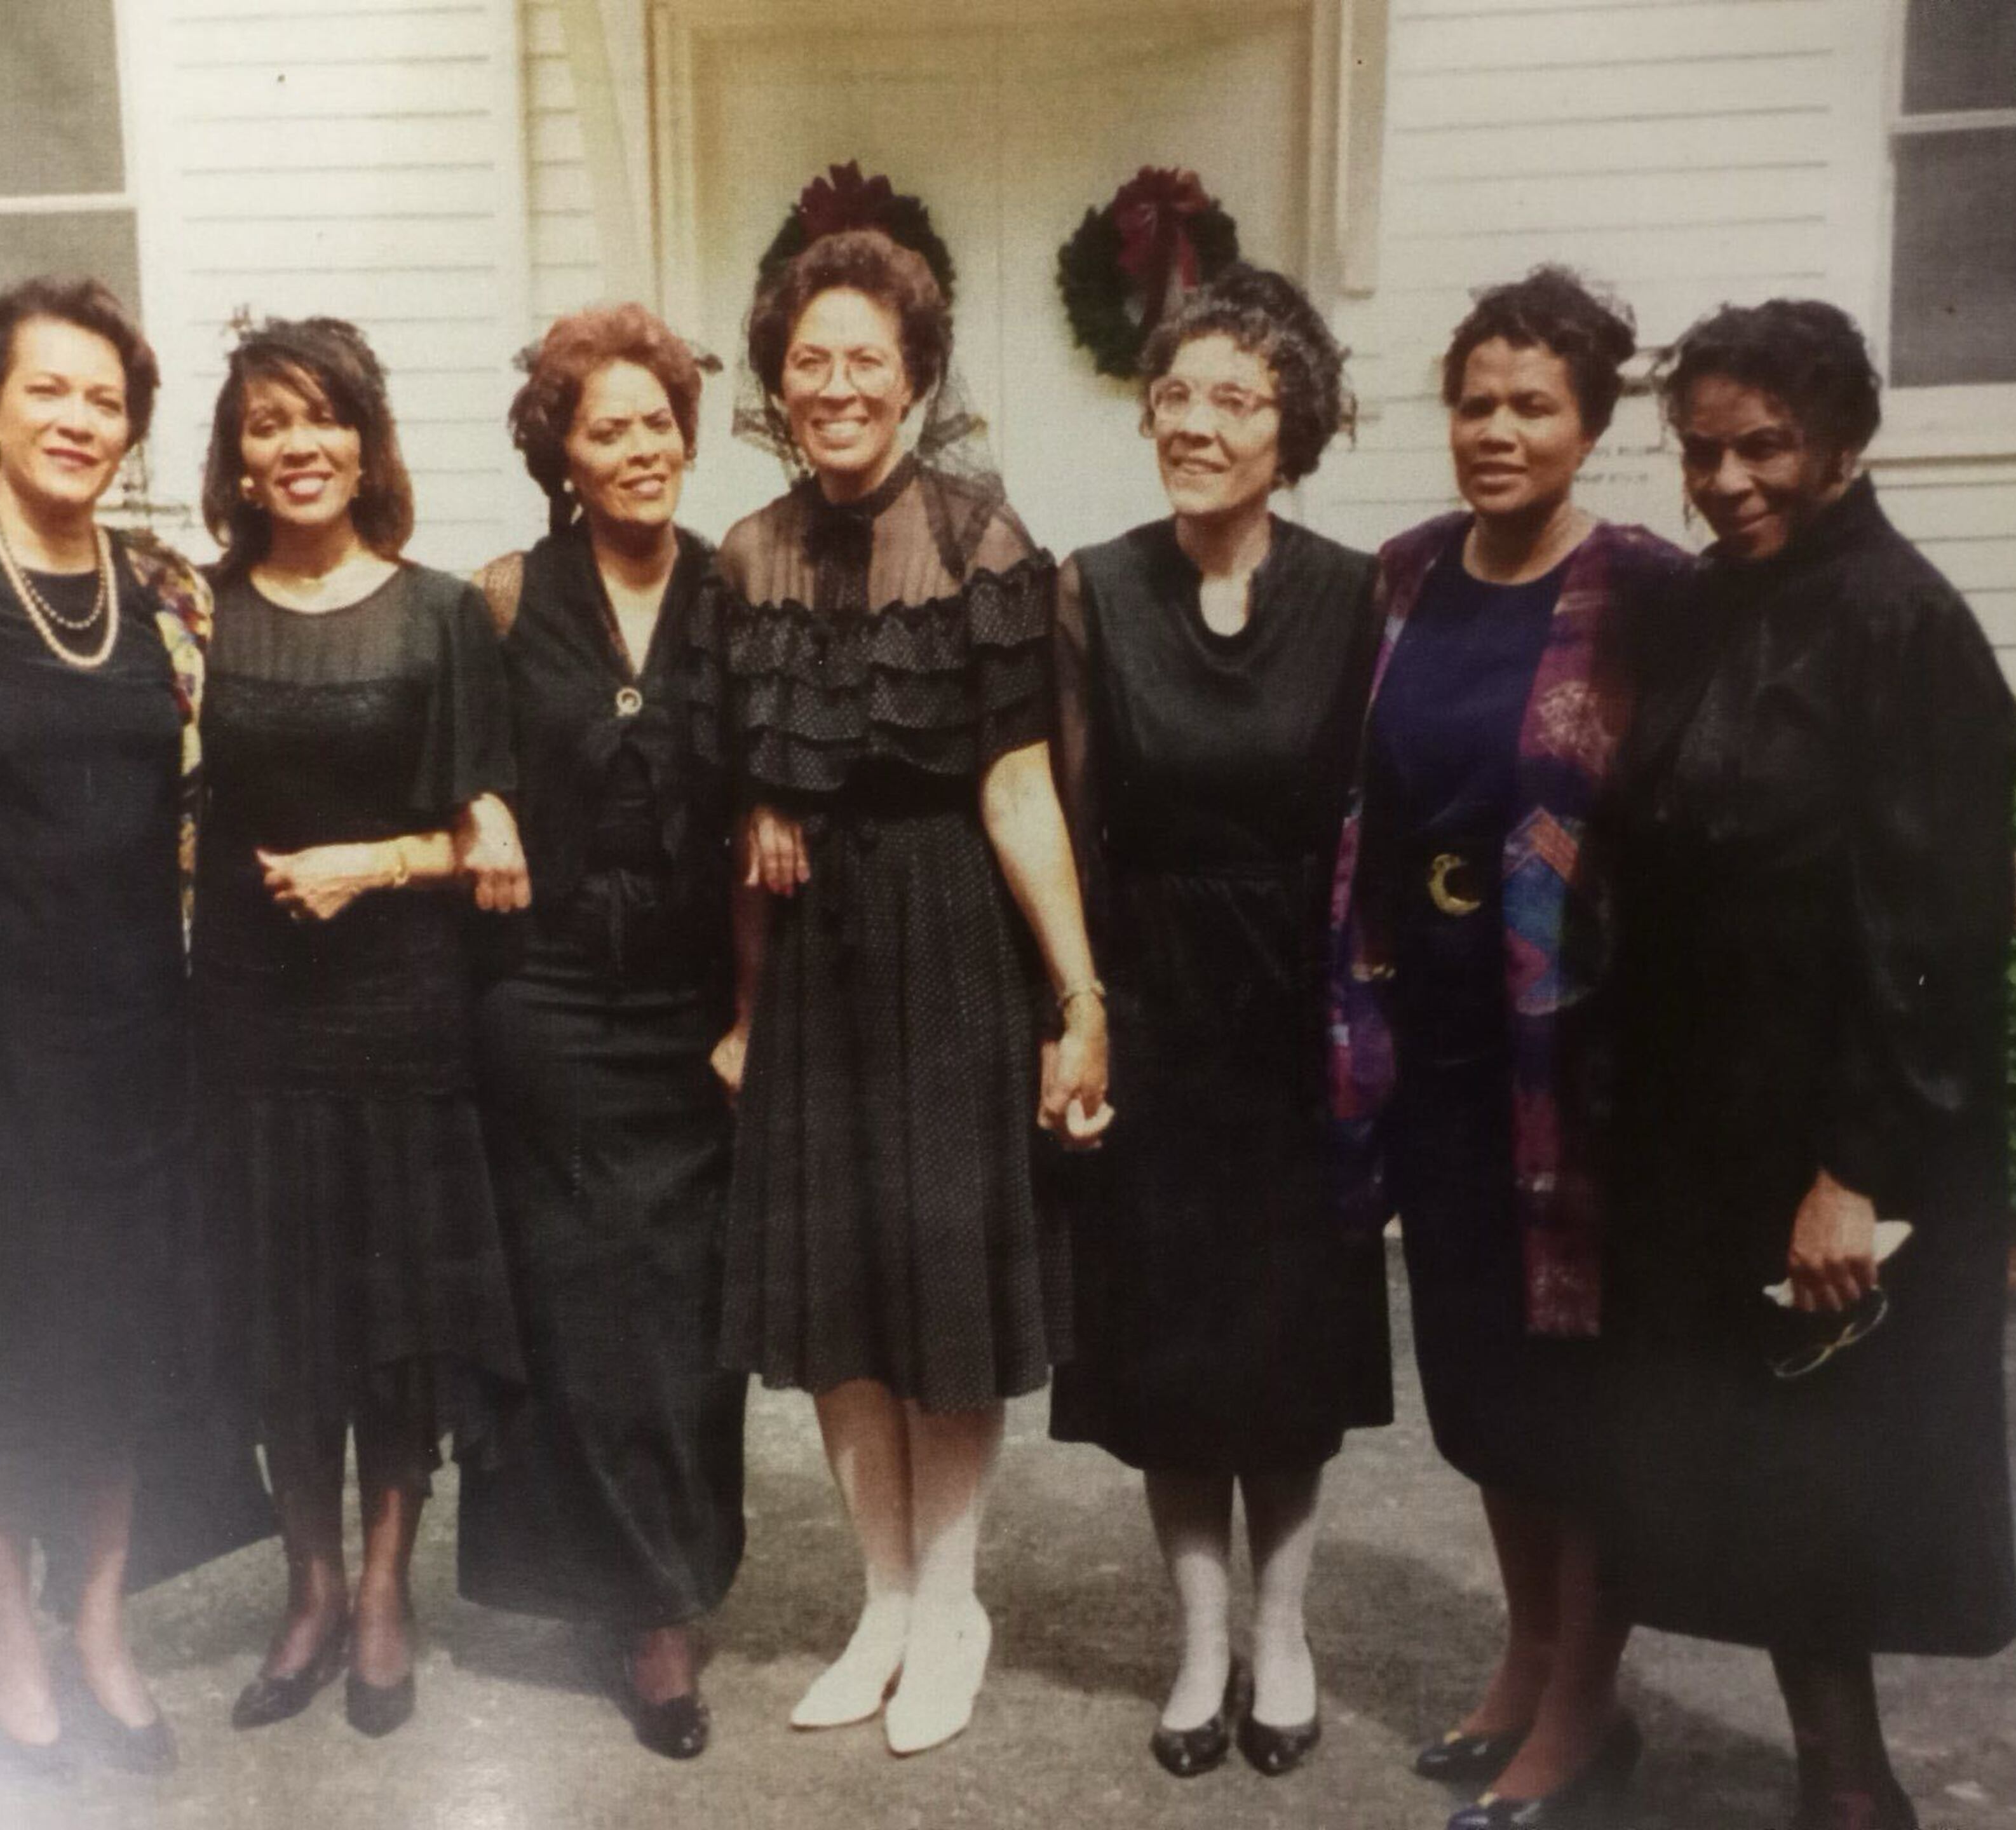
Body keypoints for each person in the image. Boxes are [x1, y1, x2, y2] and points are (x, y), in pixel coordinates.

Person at [689, 222, 1109, 1756]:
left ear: (920, 380)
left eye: (870, 359)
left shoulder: (987, 543)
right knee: (840, 1297)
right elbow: (728, 776)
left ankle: (952, 1602)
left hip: (946, 942)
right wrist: (756, 801)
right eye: (813, 361)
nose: (839, 385)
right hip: (813, 961)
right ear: (778, 385)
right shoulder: (746, 556)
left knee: (938, 1294)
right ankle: (878, 1599)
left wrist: (1080, 997)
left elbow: (1017, 786)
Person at [1602, 300, 2016, 1830]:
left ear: (1843, 442)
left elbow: (1944, 940)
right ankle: (1832, 1780)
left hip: (1838, 1130)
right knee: (1763, 1490)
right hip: (1711, 1118)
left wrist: (1855, 1170)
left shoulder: (1901, 623)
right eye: (1702, 449)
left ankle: (1857, 1801)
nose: (1726, 479)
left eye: (1765, 444)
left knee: (1831, 1491)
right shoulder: (1707, 606)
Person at [1326, 267, 1686, 1829]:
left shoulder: (1650, 589)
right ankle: (1526, 1658)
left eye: (1532, 404)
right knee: (1477, 1374)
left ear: (1591, 423)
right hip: (1440, 1032)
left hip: (1583, 1045)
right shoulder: (1404, 577)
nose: (1495, 429)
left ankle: (1585, 1709)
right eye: (1475, 401)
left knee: (1575, 1384)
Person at [1046, 268, 1389, 1780]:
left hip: (1304, 1025)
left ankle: (1289, 1633)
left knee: (1291, 1361)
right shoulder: (1096, 588)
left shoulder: (1362, 592)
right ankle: (1200, 1645)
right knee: (1175, 1360)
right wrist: (1083, 1017)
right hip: (1158, 1013)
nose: (1194, 423)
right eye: (1173, 395)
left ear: (1293, 425)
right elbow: (1068, 815)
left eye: (1234, 399)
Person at [0, 275, 222, 1772]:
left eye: (105, 399)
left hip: (137, 1027)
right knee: (2, 1344)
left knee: (118, 1341)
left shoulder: (167, 590)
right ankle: (4, 1631)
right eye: (50, 391)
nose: (79, 420)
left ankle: (97, 1622)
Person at [193, 315, 528, 1740]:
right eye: (270, 422)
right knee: (287, 1327)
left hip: (399, 1020)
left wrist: (369, 862)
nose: (298, 445)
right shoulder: (199, 611)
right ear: (241, 456)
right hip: (253, 1028)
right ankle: (312, 1586)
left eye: (322, 418)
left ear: (365, 442)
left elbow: (490, 845)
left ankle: (388, 1588)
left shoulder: (442, 614)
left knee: (393, 1327)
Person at [457, 305, 748, 1760]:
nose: (640, 450)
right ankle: (643, 1621)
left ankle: (666, 1581)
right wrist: (485, 801)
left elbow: (780, 781)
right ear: (561, 453)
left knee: (685, 1321)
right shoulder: (507, 598)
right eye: (607, 427)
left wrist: (755, 1007)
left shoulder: (735, 591)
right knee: (582, 1317)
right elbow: (456, 756)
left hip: (692, 1009)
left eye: (658, 423)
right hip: (551, 1001)